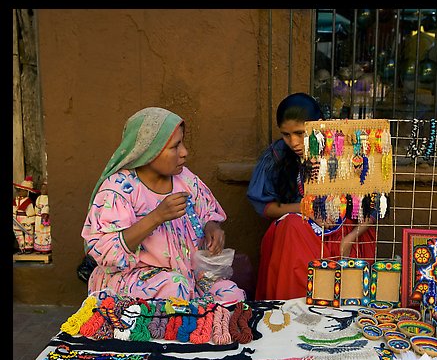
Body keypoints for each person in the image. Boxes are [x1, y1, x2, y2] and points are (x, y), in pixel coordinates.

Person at [82, 107, 245, 305]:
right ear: (149, 151)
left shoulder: (185, 178)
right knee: (176, 289)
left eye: (182, 143)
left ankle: (193, 317)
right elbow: (106, 252)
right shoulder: (119, 190)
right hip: (134, 279)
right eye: (175, 146)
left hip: (188, 275)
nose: (184, 153)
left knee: (232, 294)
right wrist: (157, 217)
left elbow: (207, 211)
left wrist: (212, 227)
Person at [247, 93, 377, 300]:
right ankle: (292, 310)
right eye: (286, 135)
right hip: (301, 229)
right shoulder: (278, 155)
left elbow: (372, 207)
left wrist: (350, 238)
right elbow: (267, 208)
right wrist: (304, 209)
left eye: (300, 133)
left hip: (348, 232)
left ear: (319, 126)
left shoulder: (348, 147)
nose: (294, 142)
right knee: (291, 227)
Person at [13, 176, 39, 254]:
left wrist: (30, 220)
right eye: (20, 190)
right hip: (17, 219)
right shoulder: (15, 200)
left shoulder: (28, 202)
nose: (20, 192)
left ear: (27, 192)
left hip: (26, 219)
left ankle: (28, 247)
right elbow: (14, 208)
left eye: (23, 191)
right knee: (18, 234)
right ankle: (21, 247)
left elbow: (30, 212)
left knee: (28, 233)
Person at [34, 180, 51, 253]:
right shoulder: (38, 198)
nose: (42, 190)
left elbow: (46, 207)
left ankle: (45, 248)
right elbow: (36, 207)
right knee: (38, 233)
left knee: (45, 233)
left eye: (44, 189)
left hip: (44, 218)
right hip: (38, 218)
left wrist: (44, 214)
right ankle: (39, 248)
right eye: (42, 189)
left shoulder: (47, 198)